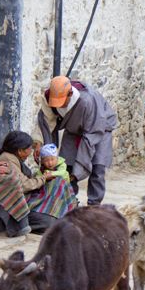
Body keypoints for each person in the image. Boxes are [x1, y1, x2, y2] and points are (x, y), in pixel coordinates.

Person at [33, 76, 117, 206]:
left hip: (98, 129)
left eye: (62, 101)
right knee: (66, 164)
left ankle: (94, 204)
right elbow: (46, 122)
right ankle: (69, 199)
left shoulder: (87, 100)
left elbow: (91, 136)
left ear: (70, 94)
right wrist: (39, 143)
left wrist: (78, 172)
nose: (59, 106)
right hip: (73, 129)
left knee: (97, 166)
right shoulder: (49, 97)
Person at [0, 132, 74, 234]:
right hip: (17, 207)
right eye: (29, 148)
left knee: (59, 183)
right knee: (51, 222)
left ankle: (69, 213)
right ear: (20, 151)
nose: (31, 152)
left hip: (25, 197)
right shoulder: (8, 160)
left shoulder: (13, 157)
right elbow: (25, 185)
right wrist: (43, 178)